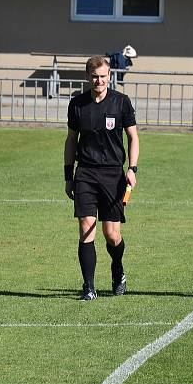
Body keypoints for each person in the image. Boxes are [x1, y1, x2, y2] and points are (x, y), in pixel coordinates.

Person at [64, 56, 139, 301]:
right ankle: (89, 286)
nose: (99, 80)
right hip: (85, 172)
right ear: (88, 77)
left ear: (109, 76)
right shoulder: (77, 104)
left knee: (112, 235)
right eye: (95, 76)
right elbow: (70, 140)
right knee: (86, 228)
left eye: (103, 76)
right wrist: (68, 175)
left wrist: (132, 169)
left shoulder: (121, 102)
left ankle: (117, 269)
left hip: (112, 175)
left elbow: (134, 138)